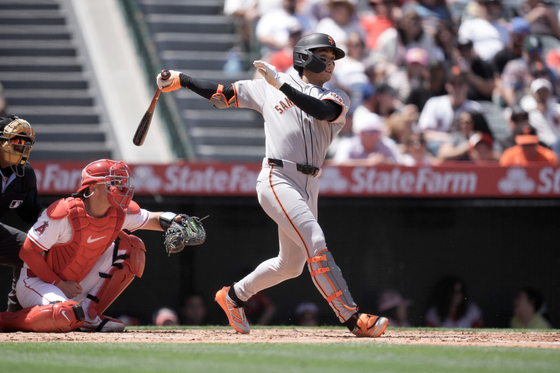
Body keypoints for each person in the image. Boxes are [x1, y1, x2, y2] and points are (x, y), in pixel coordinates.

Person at [157, 32, 389, 338]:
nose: (331, 63)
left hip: (310, 183)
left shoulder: (336, 97)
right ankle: (352, 317)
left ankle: (233, 296)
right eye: (325, 55)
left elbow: (320, 111)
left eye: (333, 58)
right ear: (305, 57)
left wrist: (280, 83)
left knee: (290, 265)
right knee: (315, 242)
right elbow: (222, 93)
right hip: (277, 176)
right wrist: (182, 79)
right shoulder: (265, 88)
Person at [0, 159, 195, 332]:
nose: (121, 188)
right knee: (64, 315)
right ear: (92, 188)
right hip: (38, 282)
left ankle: (89, 316)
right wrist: (59, 284)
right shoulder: (64, 213)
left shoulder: (119, 211)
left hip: (73, 283)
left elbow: (151, 218)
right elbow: (28, 252)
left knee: (133, 247)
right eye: (113, 183)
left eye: (122, 182)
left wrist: (175, 220)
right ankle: (5, 321)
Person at [0, 115, 44, 313]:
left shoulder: (24, 174)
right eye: (17, 141)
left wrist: (60, 217)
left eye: (27, 142)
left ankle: (15, 314)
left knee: (31, 252)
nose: (22, 147)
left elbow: (31, 212)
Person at [333, 112, 403, 166]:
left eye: (376, 131)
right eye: (368, 131)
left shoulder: (387, 144)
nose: (372, 135)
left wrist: (385, 162)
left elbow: (402, 164)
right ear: (360, 133)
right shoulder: (347, 144)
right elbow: (337, 164)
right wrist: (367, 163)